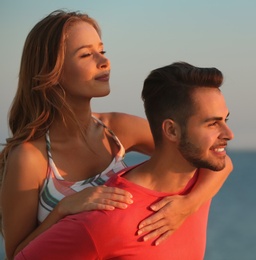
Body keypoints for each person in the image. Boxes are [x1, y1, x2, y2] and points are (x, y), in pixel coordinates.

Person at [0, 10, 232, 259]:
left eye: (103, 51)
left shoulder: (116, 129)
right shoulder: (29, 158)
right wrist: (64, 210)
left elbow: (209, 155)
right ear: (52, 71)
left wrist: (188, 206)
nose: (104, 62)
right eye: (87, 55)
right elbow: (17, 254)